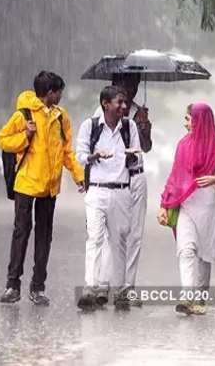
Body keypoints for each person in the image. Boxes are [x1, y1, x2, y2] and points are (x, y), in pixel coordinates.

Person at [0, 71, 85, 306]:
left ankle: (38, 287)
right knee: (21, 233)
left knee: (44, 236)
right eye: (59, 92)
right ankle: (12, 285)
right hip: (25, 184)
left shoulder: (60, 117)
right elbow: (3, 140)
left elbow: (67, 151)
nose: (61, 96)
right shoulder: (23, 114)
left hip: (49, 187)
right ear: (49, 93)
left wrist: (79, 175)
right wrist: (25, 134)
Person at [157, 103, 215, 316]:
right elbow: (174, 176)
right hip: (185, 204)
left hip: (207, 207)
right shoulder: (182, 145)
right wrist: (164, 203)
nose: (185, 123)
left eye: (188, 119)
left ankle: (201, 298)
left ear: (201, 121)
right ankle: (188, 297)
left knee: (204, 255)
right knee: (186, 250)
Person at [76, 85, 142, 311]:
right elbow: (81, 157)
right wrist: (96, 155)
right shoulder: (90, 126)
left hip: (122, 191)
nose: (124, 107)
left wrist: (133, 157)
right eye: (119, 102)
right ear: (105, 104)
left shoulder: (129, 127)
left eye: (124, 103)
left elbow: (136, 161)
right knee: (94, 238)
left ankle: (120, 291)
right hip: (96, 191)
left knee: (118, 241)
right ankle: (90, 289)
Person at [92, 73, 151, 305]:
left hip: (135, 178)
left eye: (135, 84)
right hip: (113, 182)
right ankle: (104, 284)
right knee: (111, 234)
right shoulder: (100, 116)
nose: (130, 90)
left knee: (134, 234)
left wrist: (144, 127)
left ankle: (127, 287)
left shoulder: (139, 112)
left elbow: (145, 148)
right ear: (115, 85)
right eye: (126, 84)